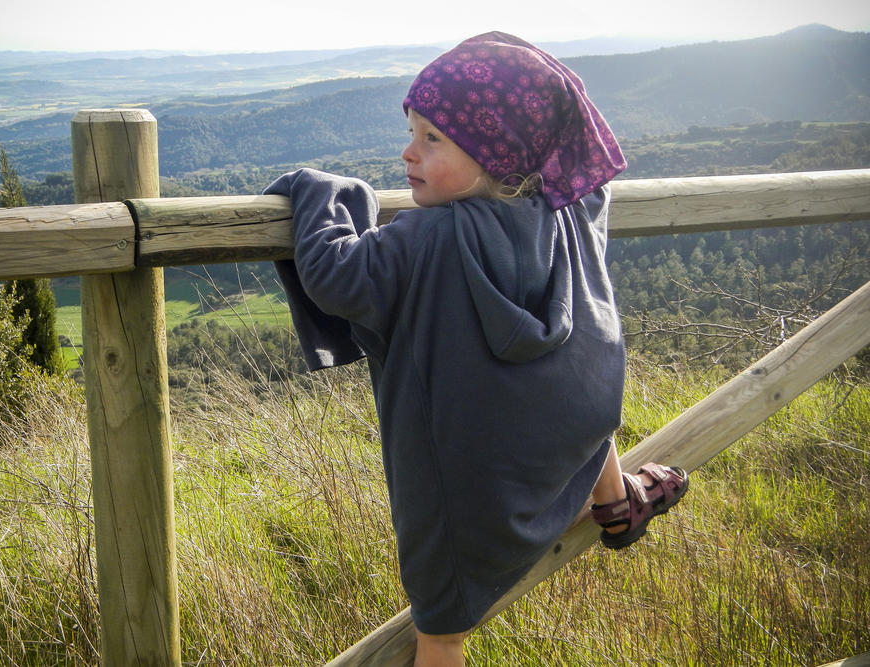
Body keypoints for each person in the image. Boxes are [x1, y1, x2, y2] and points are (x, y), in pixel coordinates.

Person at [266, 32, 689, 666]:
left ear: (498, 154)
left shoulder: (423, 239)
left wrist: (319, 190)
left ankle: (595, 514)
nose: (408, 153)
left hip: (472, 477)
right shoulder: (566, 211)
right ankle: (615, 505)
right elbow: (585, 181)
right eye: (412, 132)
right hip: (567, 426)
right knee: (579, 407)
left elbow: (335, 276)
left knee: (444, 623)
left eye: (432, 139)